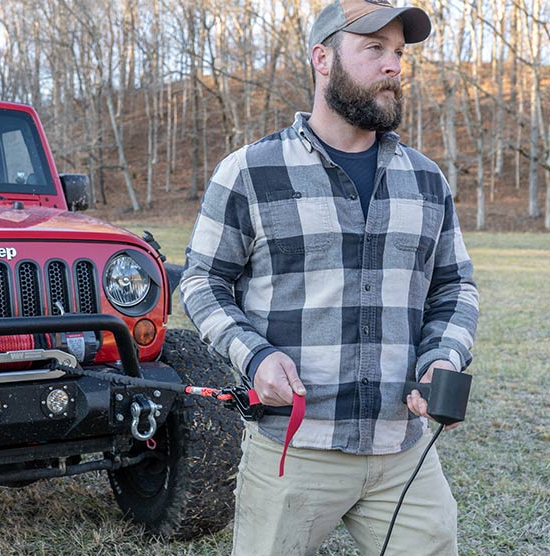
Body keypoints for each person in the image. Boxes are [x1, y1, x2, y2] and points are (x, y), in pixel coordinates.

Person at [179, 0, 480, 554]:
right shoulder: (249, 171)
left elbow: (454, 286)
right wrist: (255, 356)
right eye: (374, 49)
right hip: (295, 446)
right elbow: (202, 282)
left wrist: (443, 357)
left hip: (403, 451)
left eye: (399, 52)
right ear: (322, 58)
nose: (393, 66)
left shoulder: (426, 179)